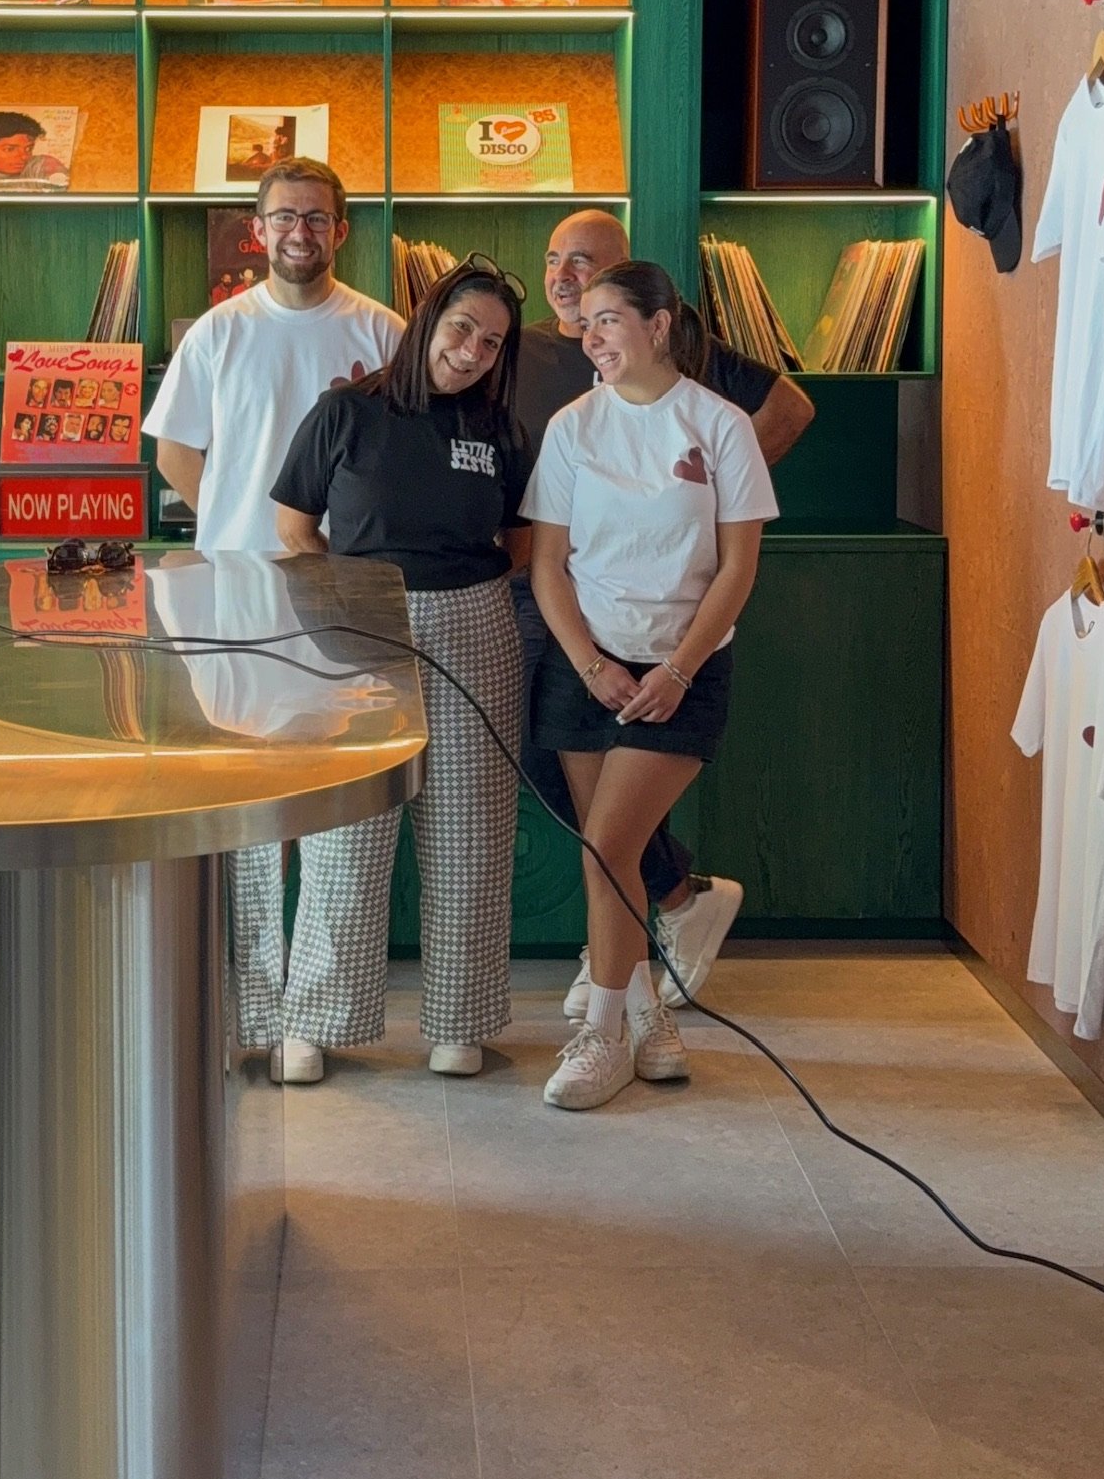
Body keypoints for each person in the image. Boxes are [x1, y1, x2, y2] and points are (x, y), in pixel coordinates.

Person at [513, 207, 813, 1009]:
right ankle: (647, 935)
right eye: (554, 261)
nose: (566, 279)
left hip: (676, 622)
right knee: (556, 781)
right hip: (556, 598)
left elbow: (787, 411)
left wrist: (713, 498)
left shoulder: (692, 370)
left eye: (587, 266)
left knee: (610, 830)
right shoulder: (531, 351)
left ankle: (626, 970)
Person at [143, 156, 403, 1079]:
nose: (301, 232)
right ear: (258, 230)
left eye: (318, 217)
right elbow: (179, 455)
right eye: (283, 216)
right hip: (238, 594)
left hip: (348, 592)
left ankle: (313, 1020)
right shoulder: (220, 332)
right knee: (248, 809)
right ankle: (251, 1008)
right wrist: (236, 525)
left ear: (343, 229)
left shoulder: (382, 331)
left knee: (336, 810)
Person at [271, 257, 532, 1080]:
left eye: (491, 343)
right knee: (346, 836)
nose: (472, 351)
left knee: (470, 836)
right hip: (358, 627)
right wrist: (351, 604)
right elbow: (294, 528)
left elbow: (519, 543)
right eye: (461, 329)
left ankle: (459, 1021)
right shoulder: (346, 411)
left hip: (476, 627)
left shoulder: (498, 431)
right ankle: (313, 1018)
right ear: (425, 321)